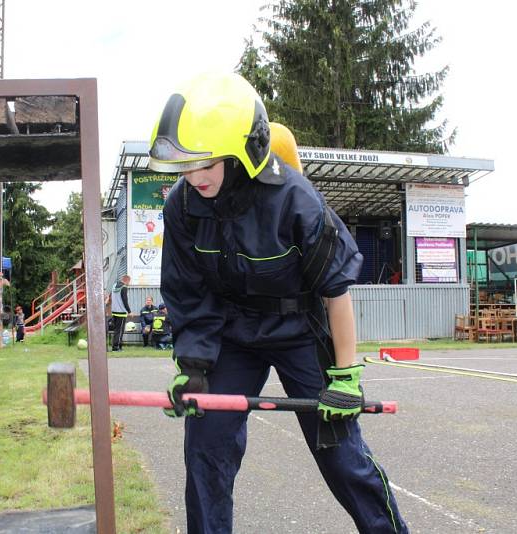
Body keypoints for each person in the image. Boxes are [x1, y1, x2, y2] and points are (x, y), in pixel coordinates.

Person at [151, 72, 407, 533]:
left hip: (299, 333)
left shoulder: (294, 198)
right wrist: (192, 367)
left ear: (240, 151)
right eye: (185, 166)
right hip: (232, 338)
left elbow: (336, 291)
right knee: (205, 451)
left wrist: (345, 377)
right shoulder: (182, 206)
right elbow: (189, 295)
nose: (193, 177)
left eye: (204, 164)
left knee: (343, 458)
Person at [110, 275, 131, 351]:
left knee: (116, 330)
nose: (129, 283)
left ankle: (117, 346)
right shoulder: (124, 287)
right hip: (121, 312)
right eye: (129, 282)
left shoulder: (114, 285)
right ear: (127, 280)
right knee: (120, 331)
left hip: (114, 311)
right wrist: (129, 311)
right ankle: (116, 347)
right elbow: (125, 300)